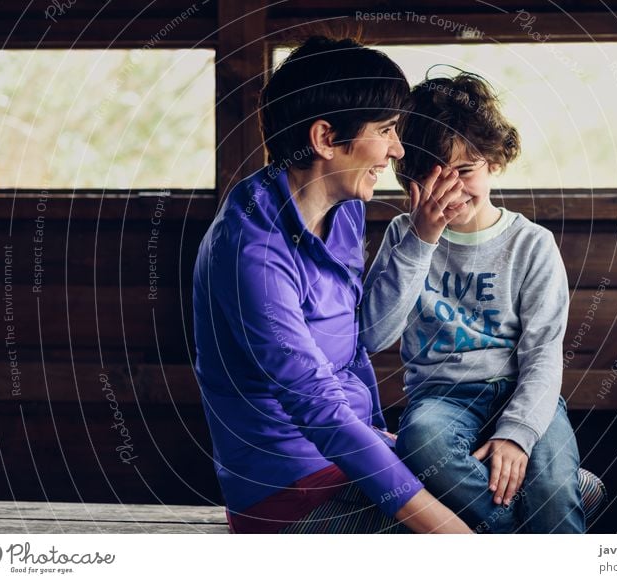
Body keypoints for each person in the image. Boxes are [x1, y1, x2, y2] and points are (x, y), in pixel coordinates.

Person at [192, 36, 472, 534]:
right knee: (518, 517)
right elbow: (315, 402)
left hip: (354, 454)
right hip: (288, 491)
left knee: (561, 487)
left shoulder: (343, 210)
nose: (397, 149)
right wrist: (448, 530)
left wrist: (385, 441)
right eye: (385, 129)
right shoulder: (249, 251)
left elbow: (354, 342)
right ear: (324, 138)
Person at [360, 72, 585, 533]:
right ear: (408, 177)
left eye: (465, 171)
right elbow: (372, 334)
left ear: (495, 163)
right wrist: (423, 241)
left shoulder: (531, 244)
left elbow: (543, 356)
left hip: (519, 388)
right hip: (440, 395)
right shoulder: (404, 236)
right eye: (432, 175)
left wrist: (517, 435)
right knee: (421, 446)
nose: (452, 191)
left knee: (553, 486)